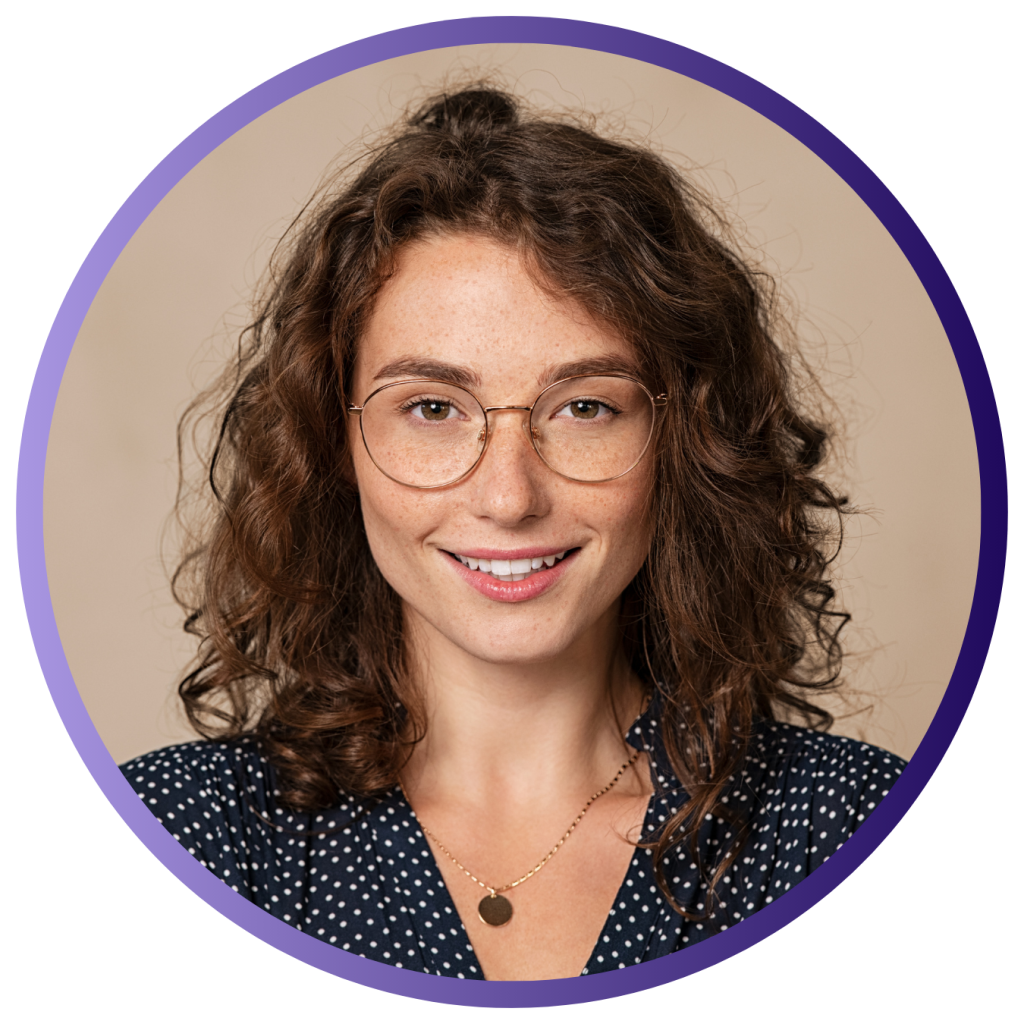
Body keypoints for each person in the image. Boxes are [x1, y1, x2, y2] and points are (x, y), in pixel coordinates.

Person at [120, 86, 905, 981]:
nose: (508, 496)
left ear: (682, 442)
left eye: (584, 407)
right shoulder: (179, 833)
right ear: (334, 442)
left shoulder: (847, 824)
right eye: (431, 407)